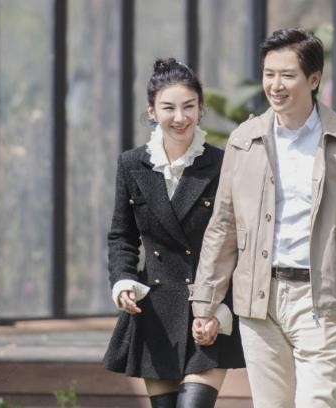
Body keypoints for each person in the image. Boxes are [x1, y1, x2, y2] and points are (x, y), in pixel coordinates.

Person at [190, 28, 336, 407]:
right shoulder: (244, 140)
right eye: (269, 74)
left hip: (321, 300)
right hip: (260, 301)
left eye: (287, 75)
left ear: (313, 79)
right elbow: (223, 225)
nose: (275, 85)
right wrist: (206, 303)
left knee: (318, 401)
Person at [103, 58, 245, 408]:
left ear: (201, 108)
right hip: (155, 311)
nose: (180, 117)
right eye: (169, 108)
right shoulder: (131, 164)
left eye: (189, 107)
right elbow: (122, 235)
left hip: (208, 308)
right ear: (151, 111)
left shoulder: (223, 163)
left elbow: (239, 245)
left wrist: (220, 311)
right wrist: (123, 282)